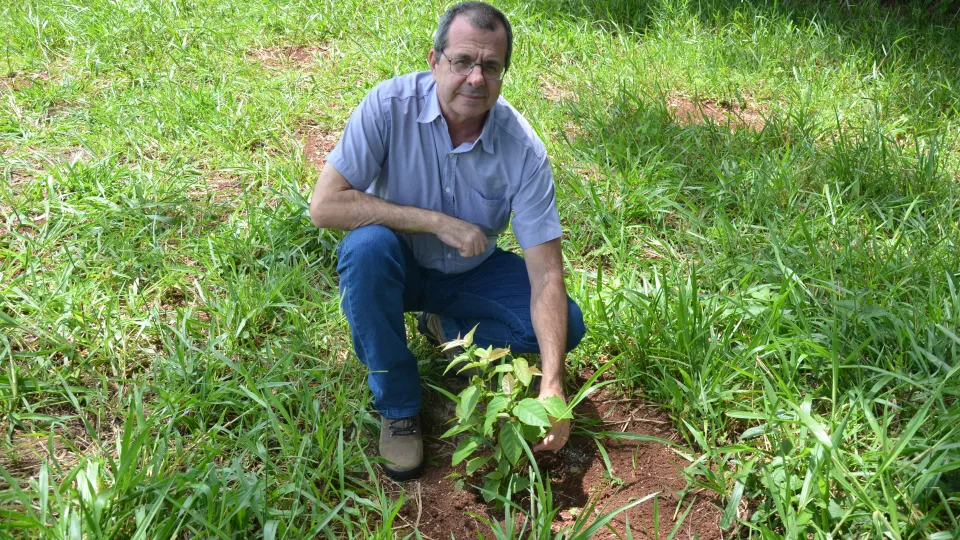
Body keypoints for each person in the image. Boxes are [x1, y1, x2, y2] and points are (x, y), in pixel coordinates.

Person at [308, 1, 586, 481]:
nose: (476, 79)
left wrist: (553, 385)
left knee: (568, 326)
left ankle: (445, 326)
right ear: (435, 60)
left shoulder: (522, 148)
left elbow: (546, 272)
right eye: (462, 61)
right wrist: (434, 222)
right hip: (397, 265)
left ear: (503, 73)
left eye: (491, 66)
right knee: (365, 249)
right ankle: (398, 408)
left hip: (469, 273)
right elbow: (324, 206)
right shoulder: (388, 106)